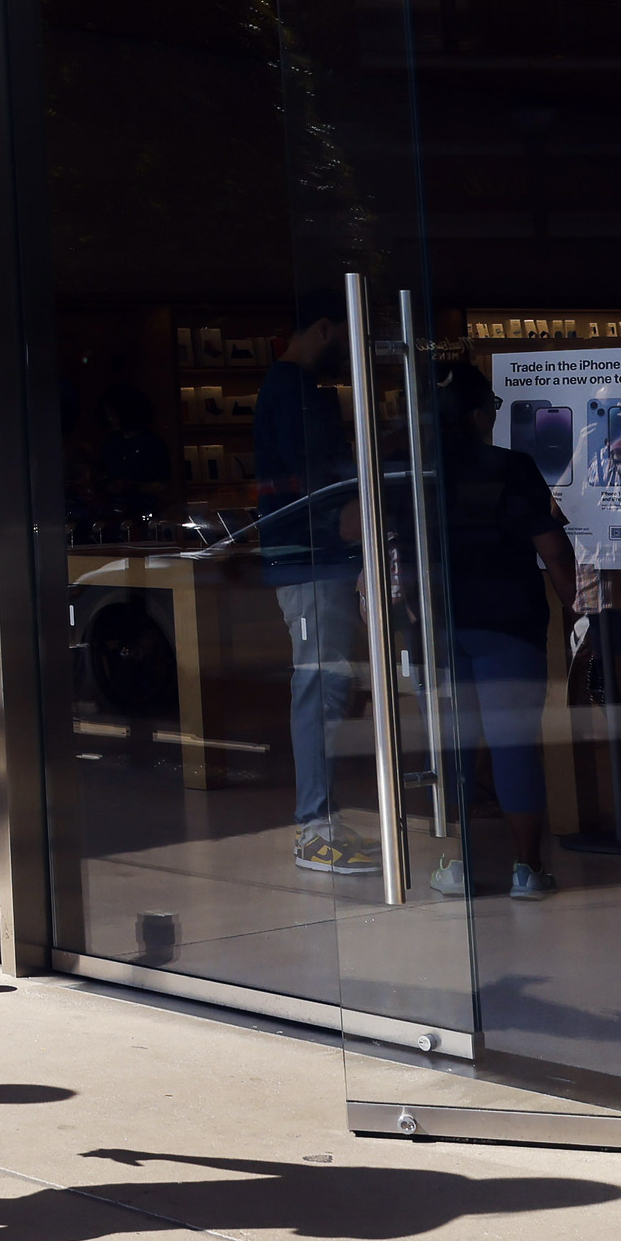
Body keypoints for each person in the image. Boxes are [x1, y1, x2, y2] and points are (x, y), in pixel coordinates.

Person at [426, 363, 569, 900]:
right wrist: (577, 606)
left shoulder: (412, 471)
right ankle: (527, 868)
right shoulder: (511, 467)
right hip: (509, 619)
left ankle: (458, 864)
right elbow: (552, 548)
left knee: (452, 750)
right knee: (514, 745)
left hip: (439, 624)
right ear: (478, 413)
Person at [253, 288, 376, 875]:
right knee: (320, 683)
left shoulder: (287, 390)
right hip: (312, 555)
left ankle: (321, 818)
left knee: (325, 682)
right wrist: (345, 519)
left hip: (312, 554)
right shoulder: (295, 393)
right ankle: (314, 827)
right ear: (325, 329)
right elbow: (317, 477)